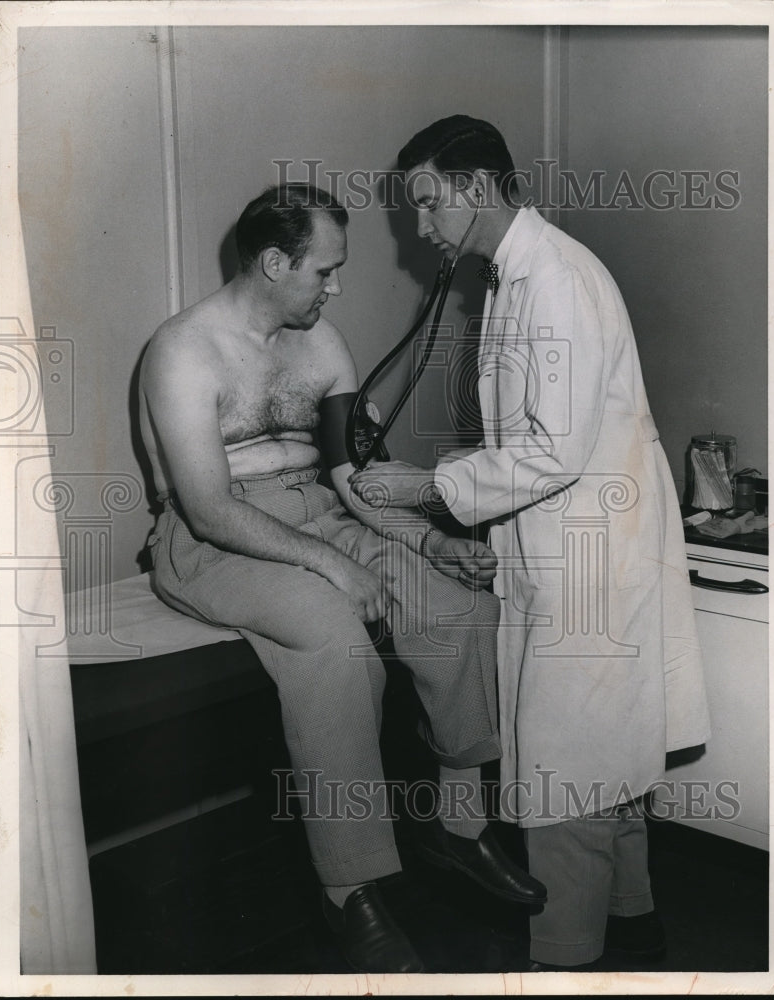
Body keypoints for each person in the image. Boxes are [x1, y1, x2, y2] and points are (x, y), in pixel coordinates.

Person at [138, 182, 547, 975]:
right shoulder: (181, 351)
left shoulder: (320, 346)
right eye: (323, 271)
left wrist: (428, 544)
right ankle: (350, 886)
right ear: (273, 261)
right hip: (211, 539)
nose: (336, 287)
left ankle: (457, 827)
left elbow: (352, 478)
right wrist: (331, 565)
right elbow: (208, 507)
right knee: (334, 637)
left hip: (319, 512)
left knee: (462, 613)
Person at [350, 116, 711, 970]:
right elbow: (539, 442)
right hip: (578, 540)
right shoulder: (513, 279)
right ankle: (635, 924)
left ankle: (564, 959)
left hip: (590, 553)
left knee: (568, 774)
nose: (423, 227)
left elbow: (550, 450)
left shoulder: (553, 281)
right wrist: (493, 544)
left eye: (431, 204)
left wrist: (427, 487)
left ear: (477, 189)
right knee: (607, 753)